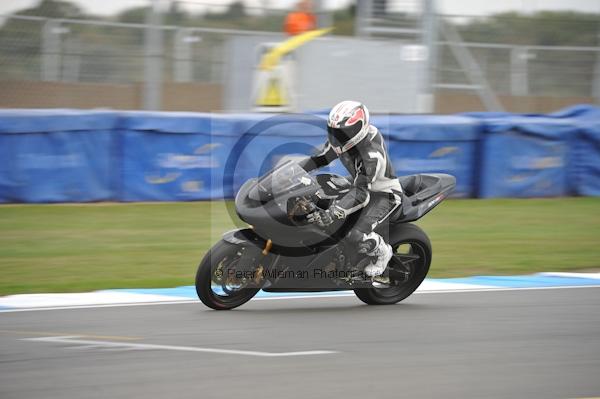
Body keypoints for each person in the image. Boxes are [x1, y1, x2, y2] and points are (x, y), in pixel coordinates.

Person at [300, 101, 403, 277]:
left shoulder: (371, 156)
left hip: (383, 195)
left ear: (358, 130)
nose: (336, 136)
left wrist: (334, 212)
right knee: (316, 192)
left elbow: (362, 193)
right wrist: (290, 172)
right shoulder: (342, 141)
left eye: (342, 133)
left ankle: (383, 252)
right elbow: (319, 160)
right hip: (358, 183)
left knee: (354, 233)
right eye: (334, 131)